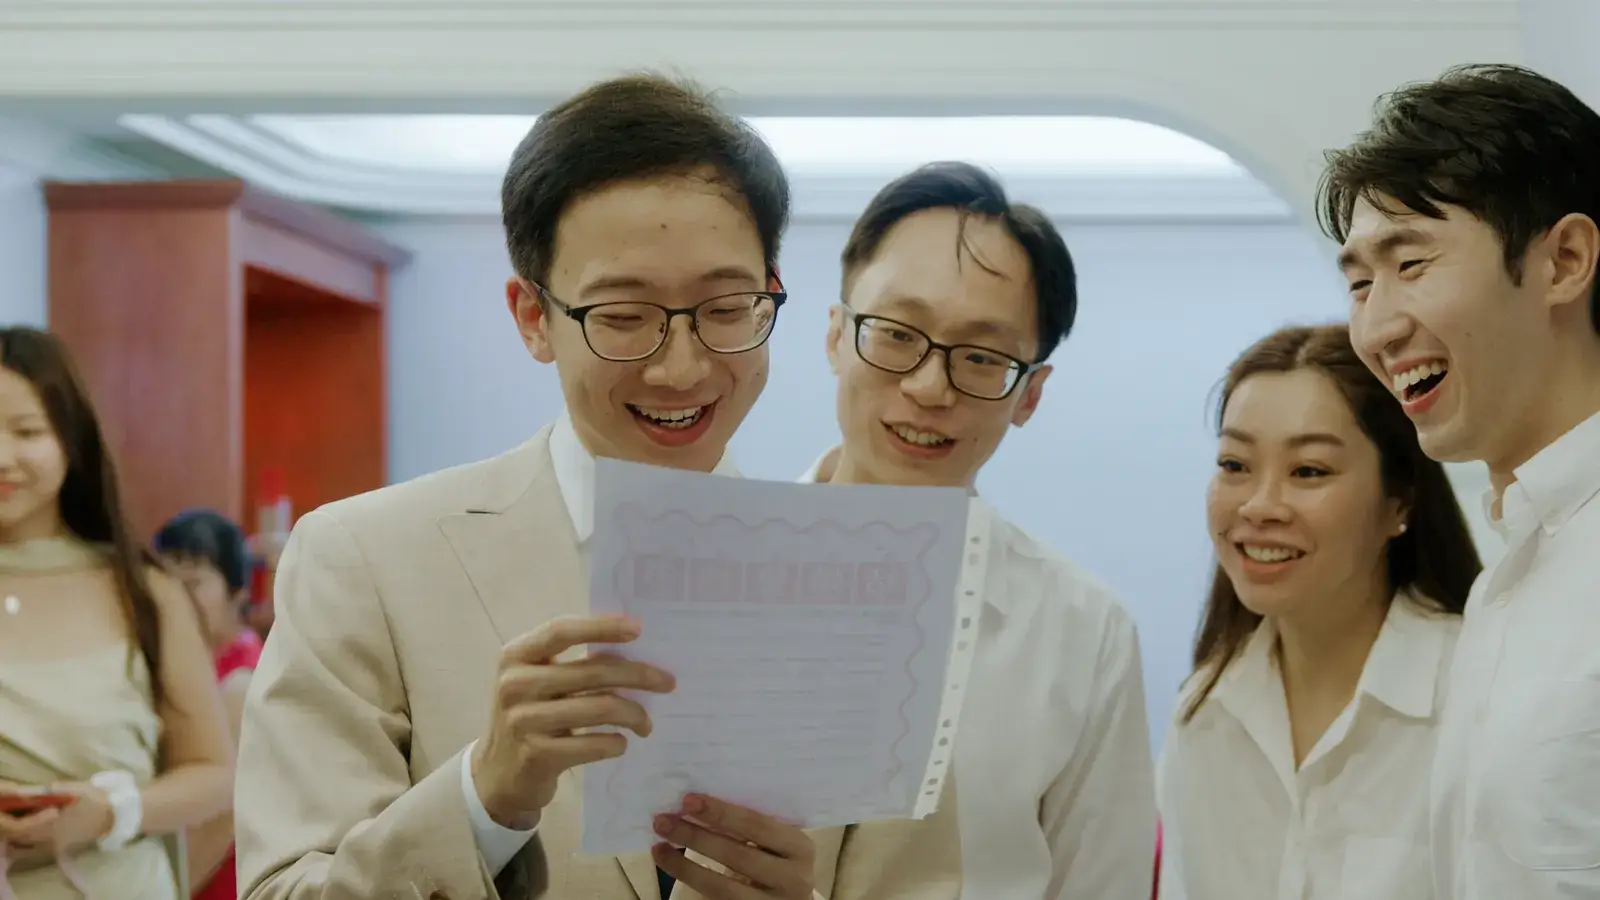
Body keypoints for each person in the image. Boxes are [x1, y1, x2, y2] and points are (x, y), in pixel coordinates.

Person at [237, 73, 873, 900]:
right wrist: (484, 798)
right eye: (622, 315)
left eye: (725, 308)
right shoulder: (362, 560)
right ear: (533, 317)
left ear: (773, 294)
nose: (681, 367)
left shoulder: (851, 583)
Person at [801, 161, 1157, 898]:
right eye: (896, 334)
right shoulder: (705, 568)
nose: (930, 388)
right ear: (836, 335)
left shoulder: (1083, 636)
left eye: (981, 359)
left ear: (1029, 394)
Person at [1321, 64, 1600, 899]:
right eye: (1360, 282)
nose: (1376, 327)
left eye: (1411, 263)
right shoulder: (1507, 581)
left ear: (1565, 260)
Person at [1154, 324, 1481, 899]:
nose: (1259, 506)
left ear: (1398, 501)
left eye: (1309, 471)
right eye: (1234, 464)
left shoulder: (1480, 695)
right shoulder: (1204, 714)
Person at [0, 327, 233, 899]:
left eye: (26, 431)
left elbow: (213, 773)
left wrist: (109, 812)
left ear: (70, 438)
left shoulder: (145, 592)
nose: (2, 457)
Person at [152, 509, 261, 900]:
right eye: (168, 582)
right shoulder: (189, 668)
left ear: (238, 592)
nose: (177, 598)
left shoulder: (241, 685)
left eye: (194, 583)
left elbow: (220, 824)